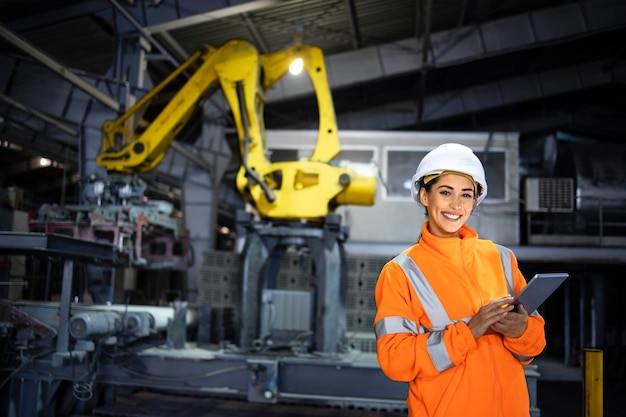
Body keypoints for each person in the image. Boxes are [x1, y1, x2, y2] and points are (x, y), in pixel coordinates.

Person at [373, 143, 546, 417]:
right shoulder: (401, 272)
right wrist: (468, 333)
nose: (456, 205)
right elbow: (395, 360)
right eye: (445, 192)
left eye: (466, 195)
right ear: (424, 196)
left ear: (475, 201)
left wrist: (521, 331)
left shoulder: (501, 258)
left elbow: (533, 347)